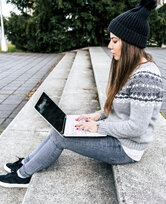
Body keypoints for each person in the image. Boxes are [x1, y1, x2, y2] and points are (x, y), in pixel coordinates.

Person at [0, 0, 163, 188]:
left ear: (130, 43)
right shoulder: (131, 68)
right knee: (63, 125)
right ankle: (26, 162)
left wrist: (98, 127)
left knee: (61, 136)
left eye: (115, 41)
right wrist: (98, 115)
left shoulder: (146, 78)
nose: (110, 45)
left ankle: (23, 176)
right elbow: (122, 108)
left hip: (126, 148)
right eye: (111, 39)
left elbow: (137, 128)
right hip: (116, 135)